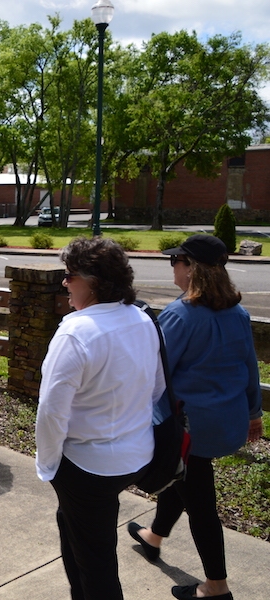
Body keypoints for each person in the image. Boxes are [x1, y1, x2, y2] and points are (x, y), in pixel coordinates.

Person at [127, 234, 263, 600]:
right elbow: (250, 367)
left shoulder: (180, 315)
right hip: (228, 423)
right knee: (183, 477)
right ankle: (153, 537)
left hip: (190, 430)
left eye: (176, 261)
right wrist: (254, 414)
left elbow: (156, 373)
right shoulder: (238, 312)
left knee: (201, 505)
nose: (172, 266)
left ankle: (216, 588)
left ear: (191, 269)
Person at [35, 236, 164, 600]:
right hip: (136, 455)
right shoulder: (141, 318)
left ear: (91, 281)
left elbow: (51, 411)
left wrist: (48, 466)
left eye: (68, 275)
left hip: (89, 466)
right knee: (75, 527)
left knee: (97, 561)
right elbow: (156, 390)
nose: (64, 282)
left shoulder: (76, 331)